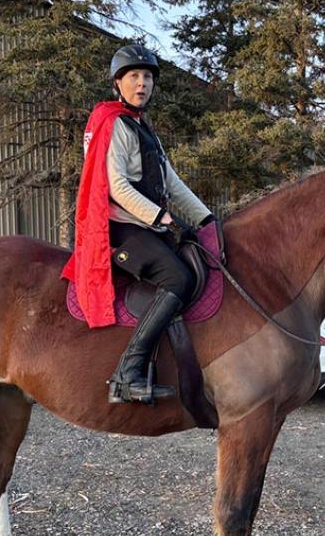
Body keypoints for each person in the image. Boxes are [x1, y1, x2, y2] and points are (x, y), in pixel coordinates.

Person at [61, 44, 215, 404]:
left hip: (147, 227)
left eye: (147, 77)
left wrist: (207, 220)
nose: (142, 83)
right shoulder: (114, 124)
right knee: (179, 277)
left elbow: (172, 184)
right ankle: (127, 372)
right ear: (118, 83)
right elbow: (116, 186)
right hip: (120, 231)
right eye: (134, 76)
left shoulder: (143, 129)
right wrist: (161, 216)